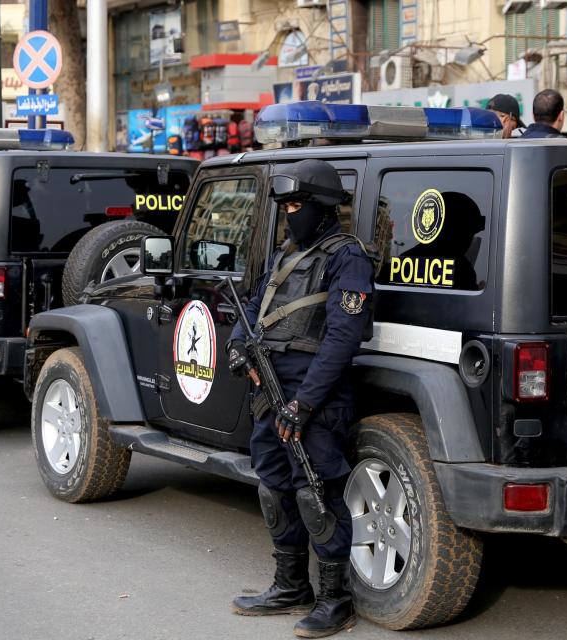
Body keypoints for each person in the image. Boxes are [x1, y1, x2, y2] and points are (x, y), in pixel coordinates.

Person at [227, 159, 374, 638]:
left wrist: (304, 403)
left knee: (317, 492)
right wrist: (236, 343)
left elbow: (342, 337)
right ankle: (290, 586)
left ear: (322, 207)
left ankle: (336, 599)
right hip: (269, 390)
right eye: (286, 206)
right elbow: (254, 305)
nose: (290, 215)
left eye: (296, 206)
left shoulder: (346, 256)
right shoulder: (288, 252)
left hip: (314, 394)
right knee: (273, 484)